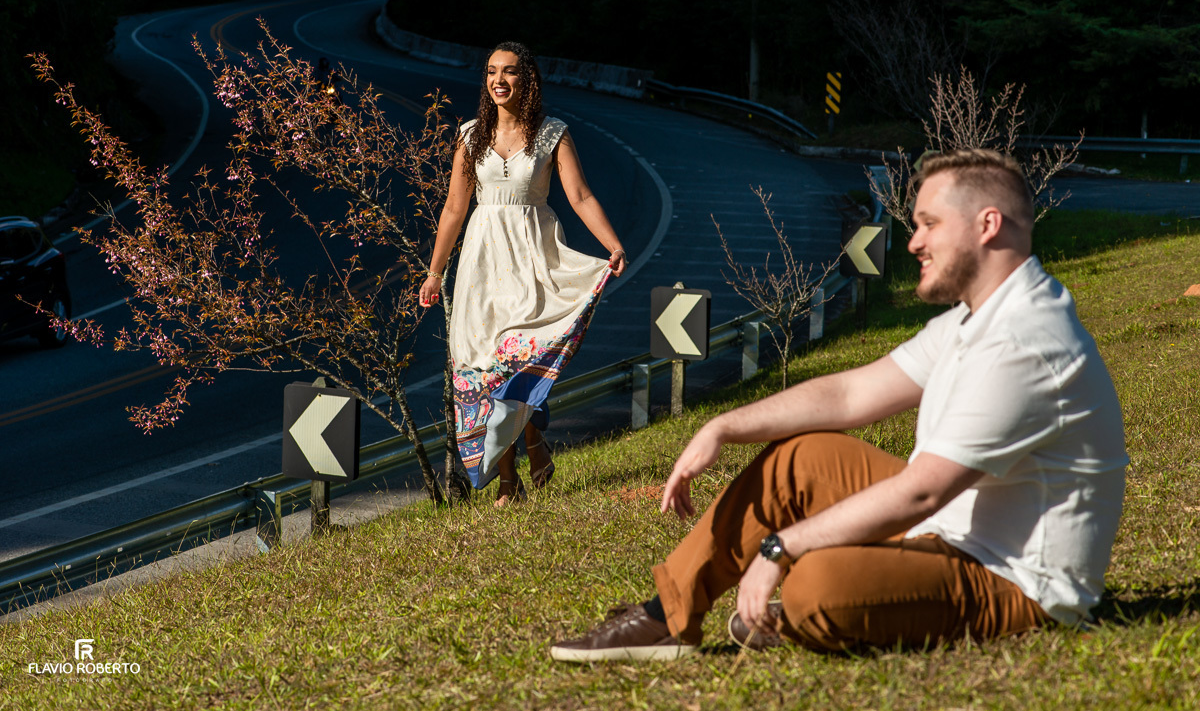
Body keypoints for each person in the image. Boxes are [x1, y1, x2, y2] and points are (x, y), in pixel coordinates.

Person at [550, 149, 1127, 661]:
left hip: (1014, 582)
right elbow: (853, 393)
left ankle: (802, 611)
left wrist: (782, 546)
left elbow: (921, 492)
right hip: (946, 532)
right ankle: (664, 618)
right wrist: (725, 425)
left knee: (814, 586)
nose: (914, 242)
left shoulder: (1025, 342)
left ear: (988, 225)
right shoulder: (976, 320)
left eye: (928, 224)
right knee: (799, 459)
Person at [420, 42, 627, 507]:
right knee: (490, 371)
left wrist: (612, 245)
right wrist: (435, 272)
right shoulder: (470, 135)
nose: (499, 80)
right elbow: (455, 207)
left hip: (534, 260)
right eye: (492, 71)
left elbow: (580, 196)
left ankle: (534, 442)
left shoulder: (552, 134)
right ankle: (510, 479)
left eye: (510, 72)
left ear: (527, 80)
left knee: (518, 360)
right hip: (481, 265)